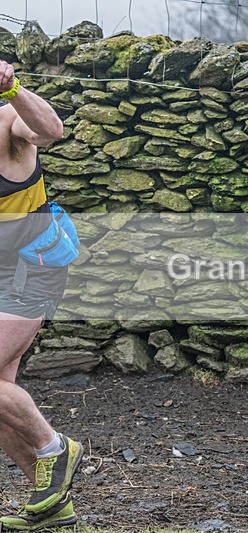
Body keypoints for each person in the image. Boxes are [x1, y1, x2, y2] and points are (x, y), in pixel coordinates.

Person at [0, 60, 84, 530]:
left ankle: (57, 448)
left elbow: (51, 130)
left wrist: (12, 88)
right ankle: (52, 506)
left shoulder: (8, 121)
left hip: (30, 269)